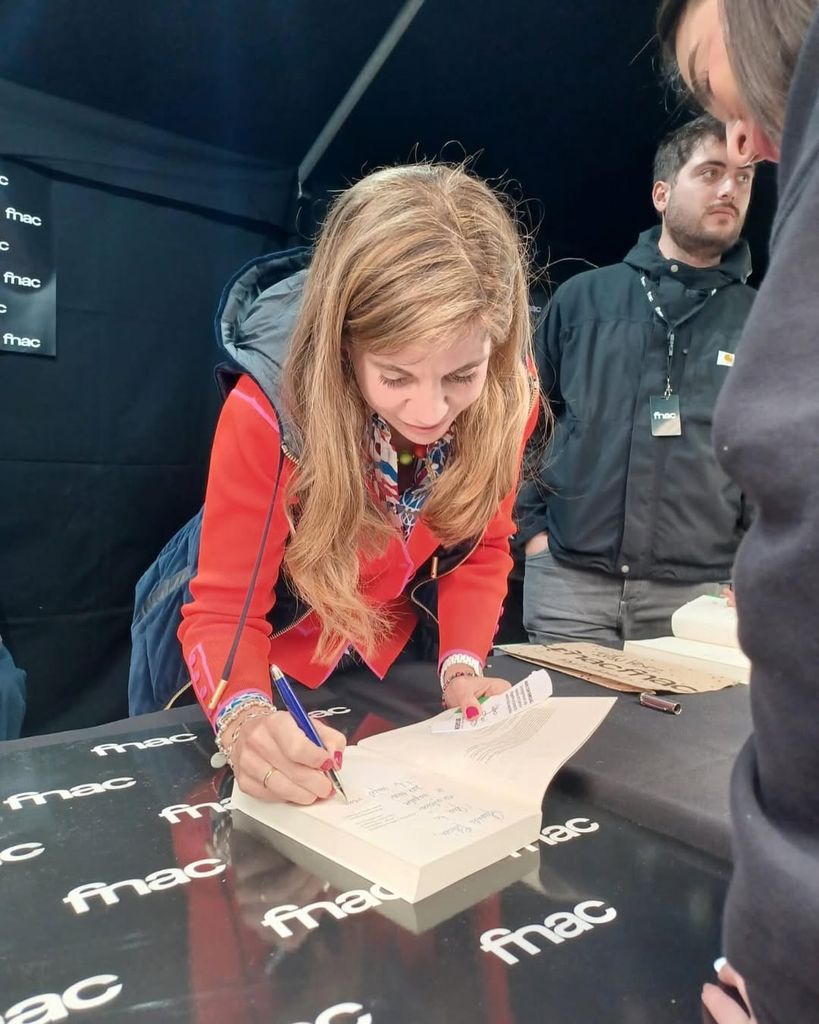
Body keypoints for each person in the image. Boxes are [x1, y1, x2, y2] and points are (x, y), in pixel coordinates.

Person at [178, 164, 539, 808]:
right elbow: (225, 611)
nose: (430, 412)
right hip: (264, 656)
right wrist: (243, 720)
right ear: (344, 346)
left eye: (462, 375)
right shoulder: (270, 408)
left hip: (389, 664)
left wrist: (461, 665)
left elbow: (479, 547)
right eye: (396, 375)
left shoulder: (512, 395)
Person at [657, 2, 819, 1023]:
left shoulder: (755, 293)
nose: (746, 145)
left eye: (739, 144)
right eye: (711, 132)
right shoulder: (586, 306)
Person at [516, 115, 756, 646]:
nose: (728, 189)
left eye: (743, 178)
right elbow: (521, 427)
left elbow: (776, 459)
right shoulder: (582, 300)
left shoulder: (764, 321)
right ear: (662, 193)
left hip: (701, 598)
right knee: (565, 728)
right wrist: (532, 532)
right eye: (711, 172)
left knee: (686, 734)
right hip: (570, 582)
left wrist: (753, 568)